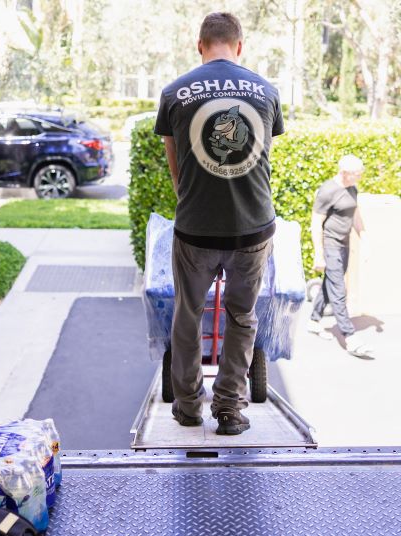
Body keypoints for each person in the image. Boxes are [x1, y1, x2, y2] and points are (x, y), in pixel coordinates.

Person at [154, 12, 285, 435]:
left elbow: (176, 166)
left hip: (194, 229)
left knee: (188, 315)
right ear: (240, 46)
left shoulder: (174, 92)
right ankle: (229, 410)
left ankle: (189, 407)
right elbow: (260, 156)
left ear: (200, 45)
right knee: (242, 317)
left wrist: (192, 201)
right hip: (253, 228)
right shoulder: (266, 91)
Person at [308, 155, 374, 359]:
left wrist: (365, 239)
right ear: (344, 173)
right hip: (331, 245)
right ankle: (350, 337)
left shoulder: (352, 188)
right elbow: (316, 224)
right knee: (338, 290)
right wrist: (319, 254)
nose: (360, 177)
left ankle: (313, 319)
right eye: (357, 174)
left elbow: (355, 215)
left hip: (345, 244)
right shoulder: (328, 191)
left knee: (331, 282)